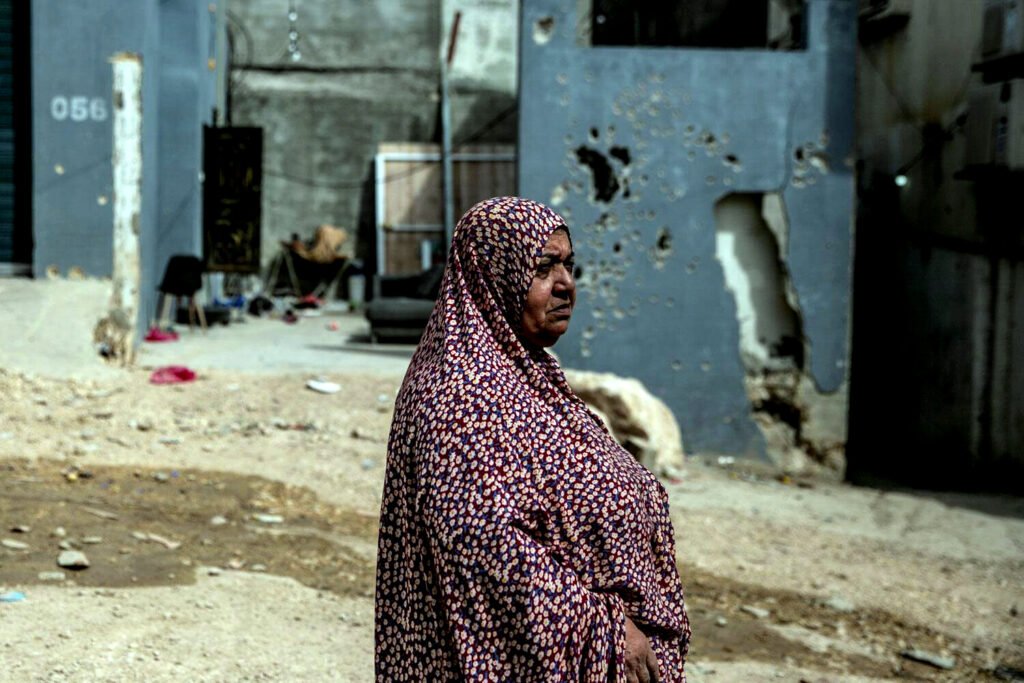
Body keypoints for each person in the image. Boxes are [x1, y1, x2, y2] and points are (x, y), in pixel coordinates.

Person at [375, 196, 690, 682]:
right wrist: (608, 634)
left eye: (568, 266)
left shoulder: (528, 374)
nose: (566, 285)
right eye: (543, 268)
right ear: (493, 276)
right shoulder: (461, 396)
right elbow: (485, 547)